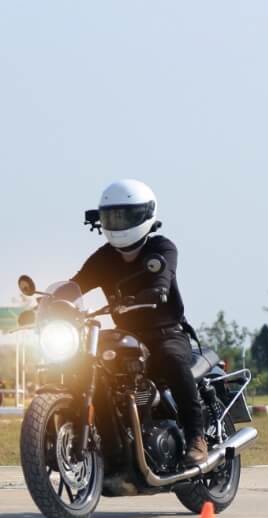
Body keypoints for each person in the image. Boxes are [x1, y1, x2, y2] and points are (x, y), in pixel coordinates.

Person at [70, 178, 207, 465]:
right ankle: (113, 448)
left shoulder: (162, 247)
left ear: (145, 214)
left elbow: (163, 277)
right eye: (112, 216)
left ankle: (197, 437)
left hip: (166, 332)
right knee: (92, 368)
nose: (119, 223)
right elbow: (76, 285)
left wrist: (156, 289)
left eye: (126, 216)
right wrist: (51, 302)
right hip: (127, 336)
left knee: (172, 359)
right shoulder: (105, 257)